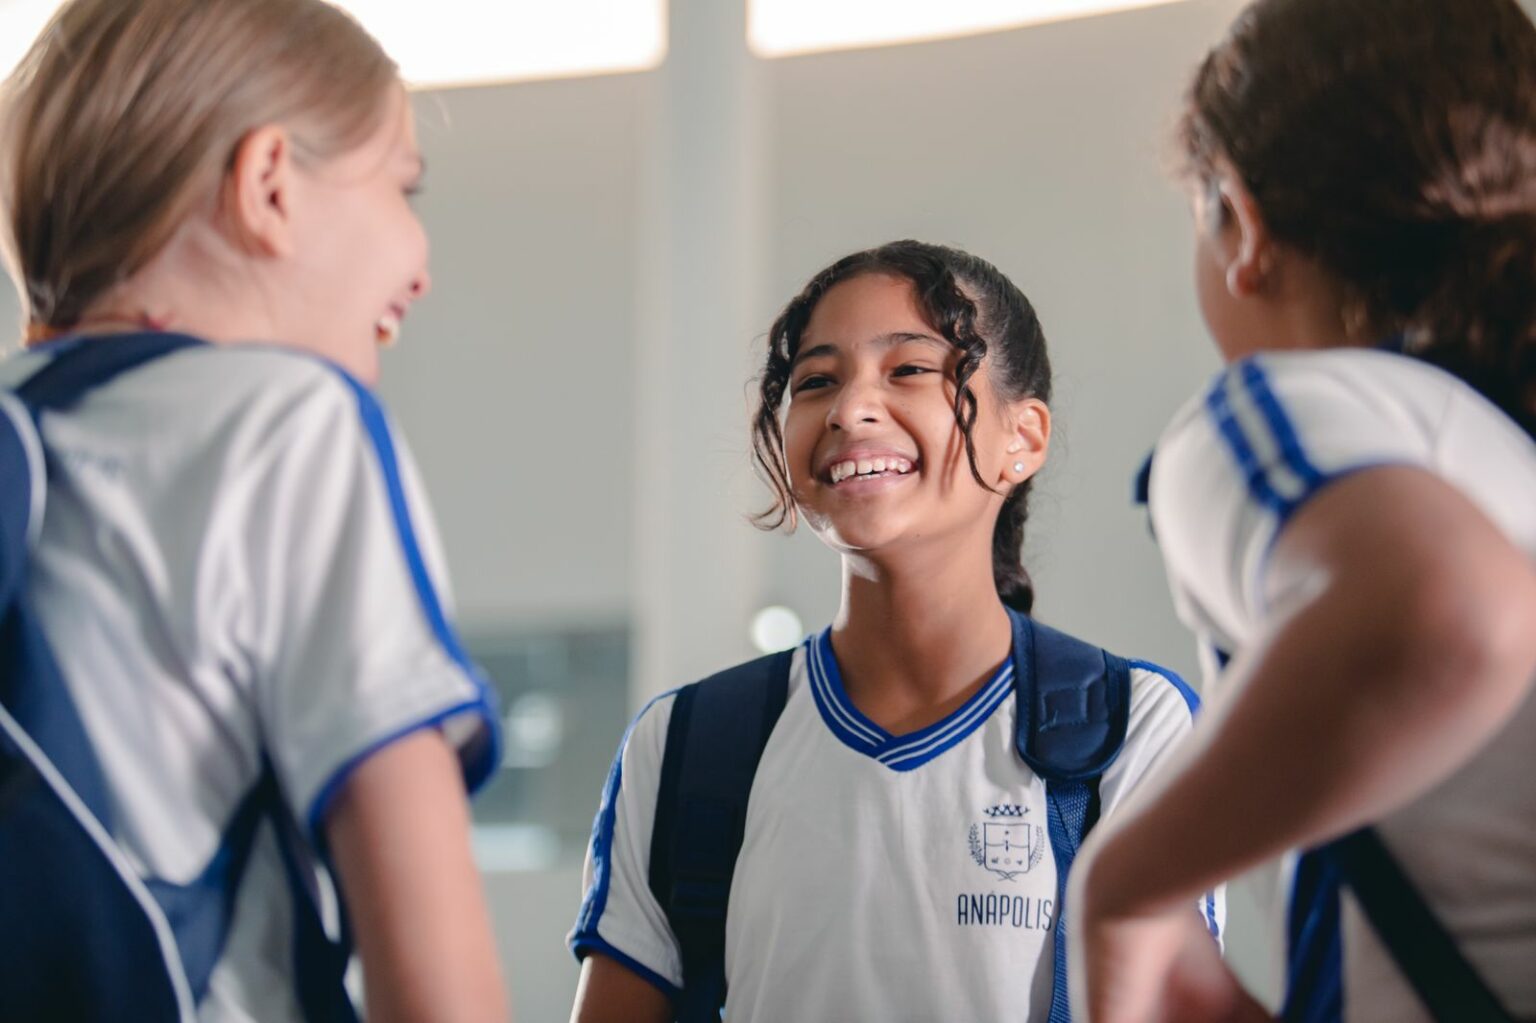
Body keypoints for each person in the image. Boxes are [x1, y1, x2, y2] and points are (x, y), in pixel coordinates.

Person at [0, 0, 509, 1018]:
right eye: (403, 185)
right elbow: (435, 982)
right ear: (269, 183)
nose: (420, 263)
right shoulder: (288, 425)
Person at [569, 240, 1219, 1022]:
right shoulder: (686, 744)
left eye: (908, 369)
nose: (849, 408)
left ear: (1025, 436)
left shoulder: (1130, 725)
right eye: (816, 380)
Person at [1068, 2, 1536, 1020]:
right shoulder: (1501, 453)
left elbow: (1448, 606)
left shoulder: (1293, 403)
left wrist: (1124, 889)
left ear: (1243, 225)